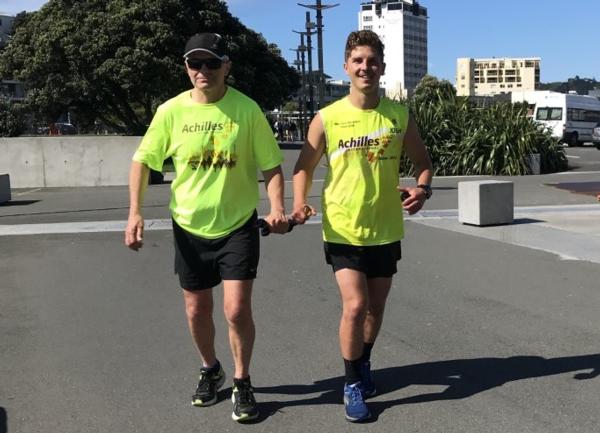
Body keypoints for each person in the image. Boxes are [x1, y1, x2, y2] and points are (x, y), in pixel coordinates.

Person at [125, 32, 289, 423]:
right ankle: (209, 367)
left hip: (237, 225)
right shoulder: (170, 112)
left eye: (211, 63)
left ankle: (242, 379)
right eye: (195, 64)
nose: (203, 71)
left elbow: (271, 167)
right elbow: (142, 161)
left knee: (236, 309)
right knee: (197, 309)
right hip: (188, 226)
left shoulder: (247, 110)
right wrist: (134, 212)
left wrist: (278, 207)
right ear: (186, 68)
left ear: (226, 66)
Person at [292, 30, 433, 422]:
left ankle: (364, 363)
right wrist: (300, 203)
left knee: (376, 307)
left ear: (382, 67)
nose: (365, 67)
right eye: (357, 60)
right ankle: (352, 382)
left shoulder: (399, 116)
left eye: (371, 61)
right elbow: (302, 168)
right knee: (355, 306)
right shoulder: (328, 118)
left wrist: (422, 190)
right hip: (342, 226)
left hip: (385, 227)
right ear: (346, 67)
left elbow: (423, 163)